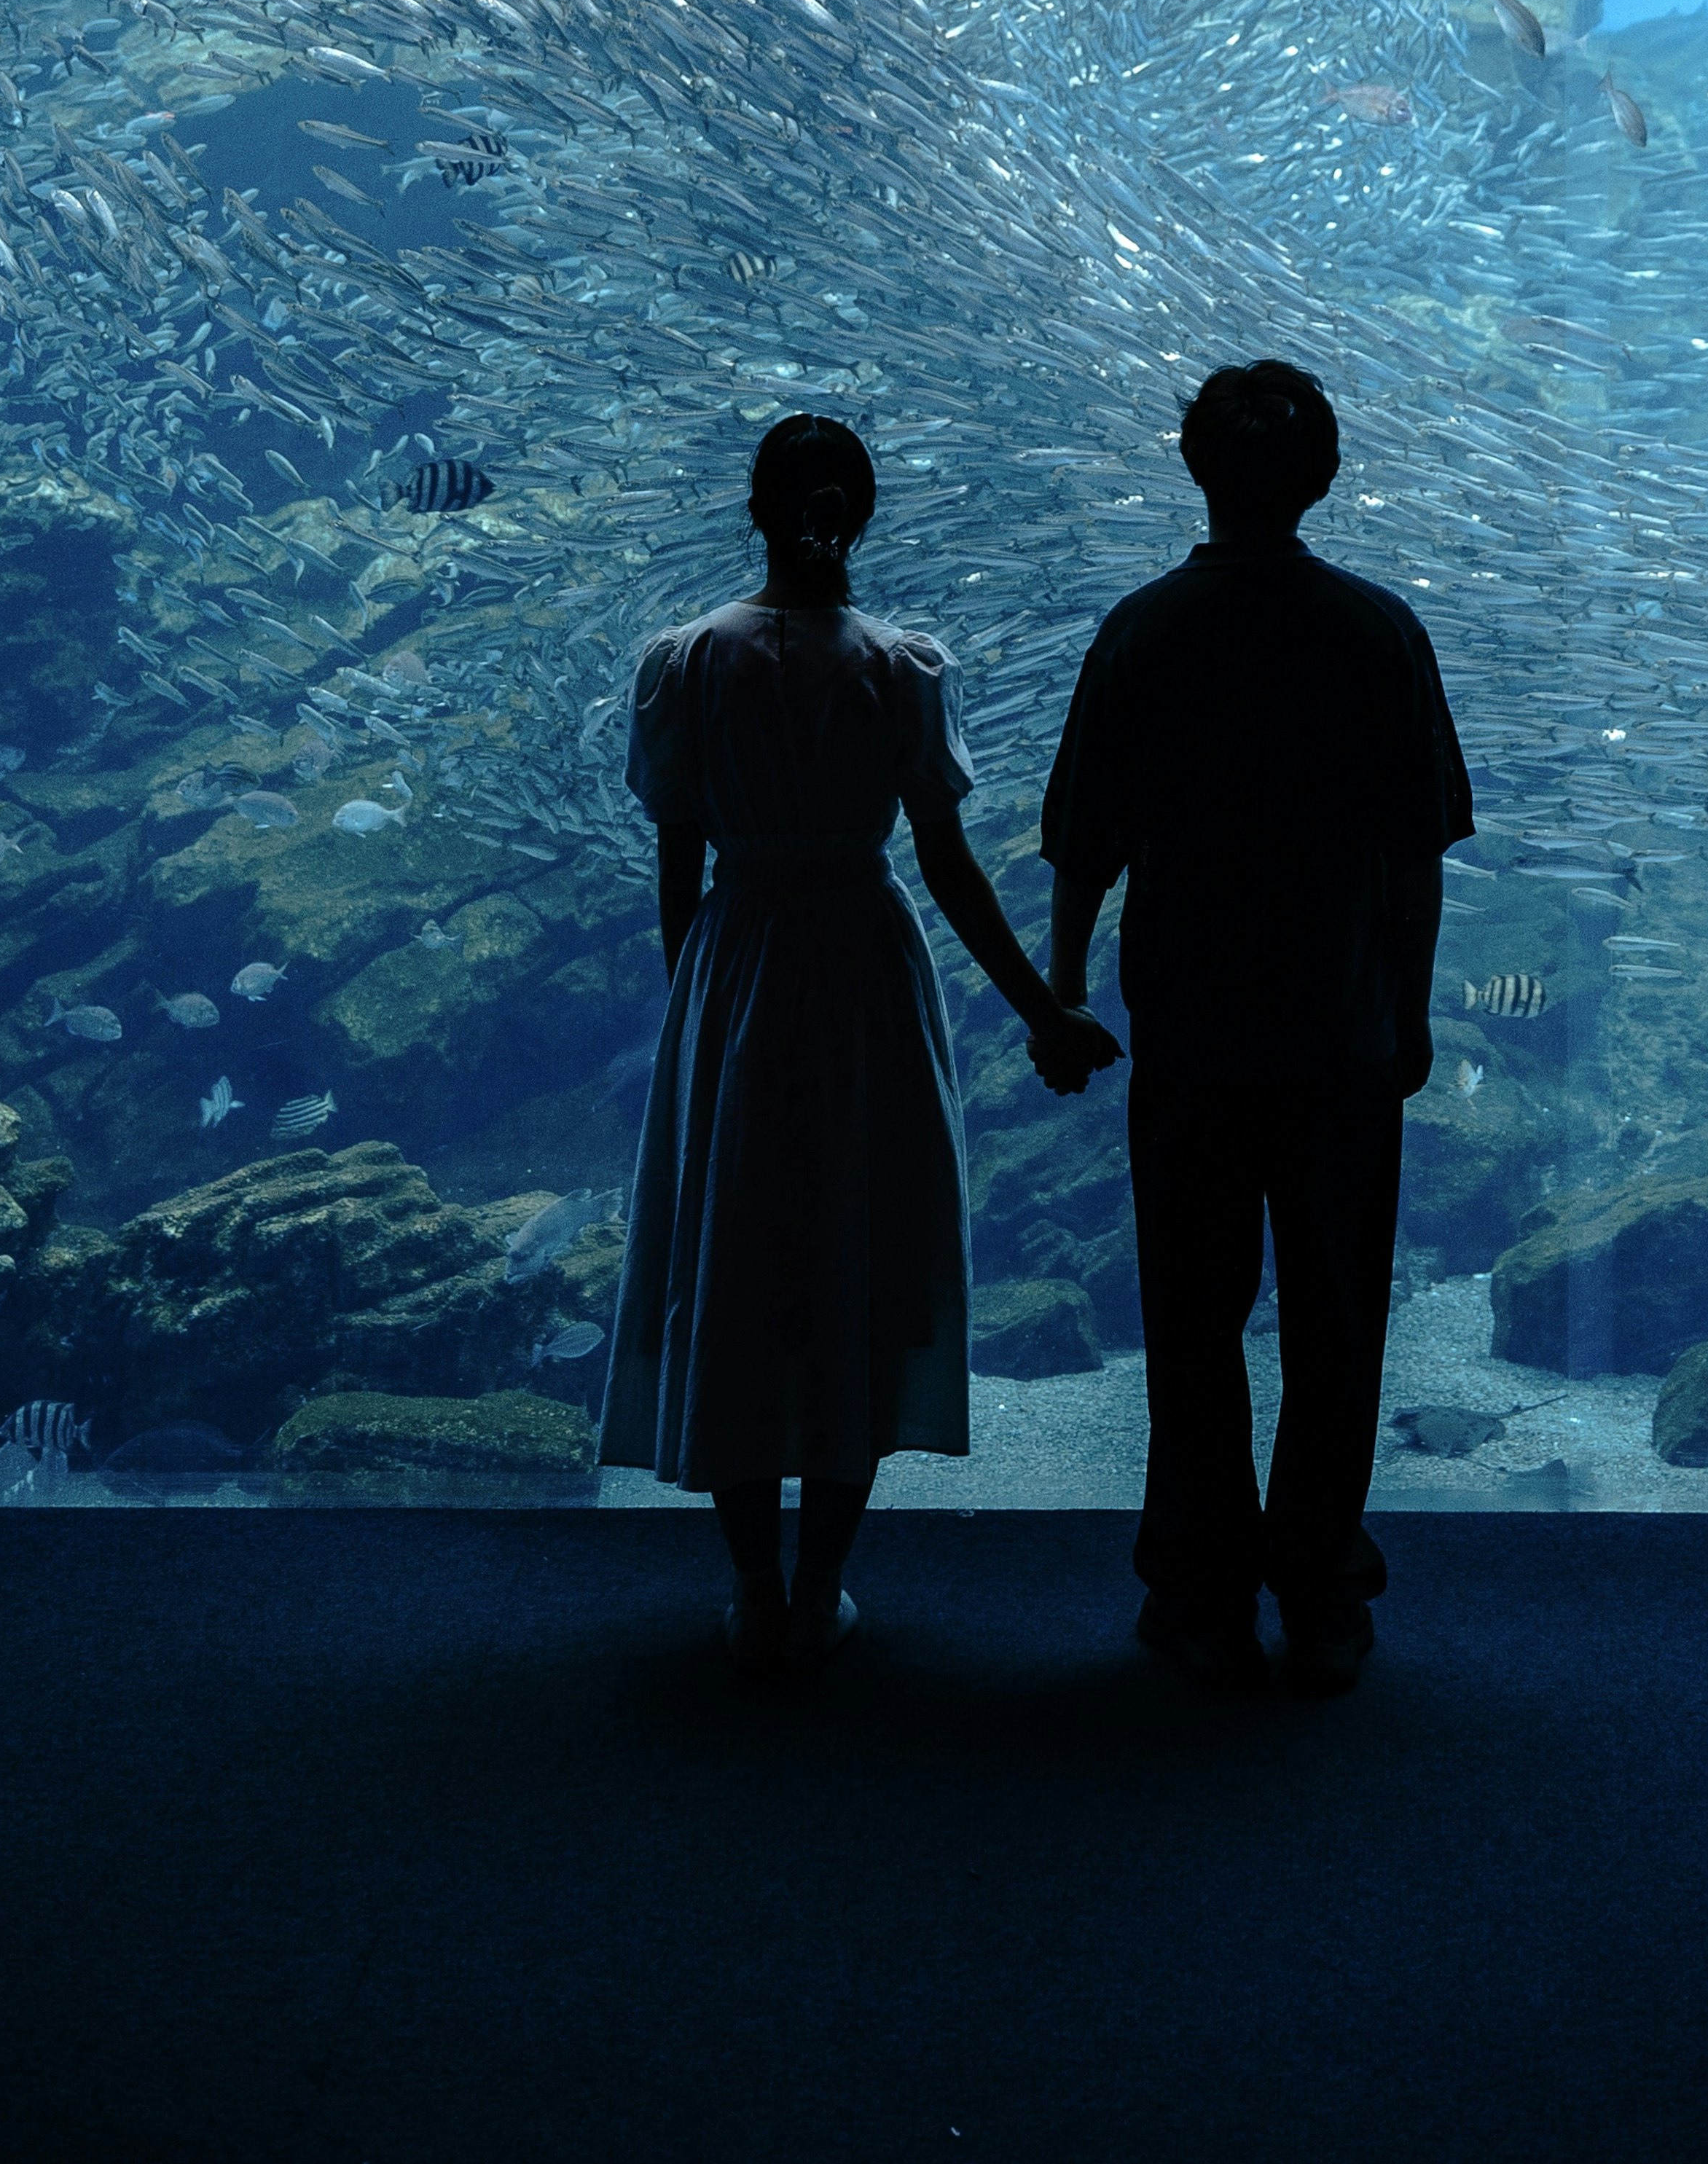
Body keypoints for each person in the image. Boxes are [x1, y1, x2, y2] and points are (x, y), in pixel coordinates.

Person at [601, 412, 1118, 1673]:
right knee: (854, 1249)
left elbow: (681, 864)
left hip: (738, 965)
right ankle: (824, 1578)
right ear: (863, 514)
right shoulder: (900, 668)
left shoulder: (685, 662)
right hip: (862, 971)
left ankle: (752, 1584)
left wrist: (696, 1013)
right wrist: (1041, 1006)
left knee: (738, 1247)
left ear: (756, 510)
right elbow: (944, 865)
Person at [1039, 360, 1472, 1700]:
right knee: (1338, 1315)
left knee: (1192, 1309)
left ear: (1193, 467)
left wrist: (1064, 991)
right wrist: (1407, 1006)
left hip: (1191, 1030)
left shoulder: (1144, 631)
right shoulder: (1378, 631)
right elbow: (1415, 856)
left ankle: (1201, 1588)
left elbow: (1082, 844)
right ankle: (1324, 1591)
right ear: (1327, 475)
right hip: (1338, 1028)